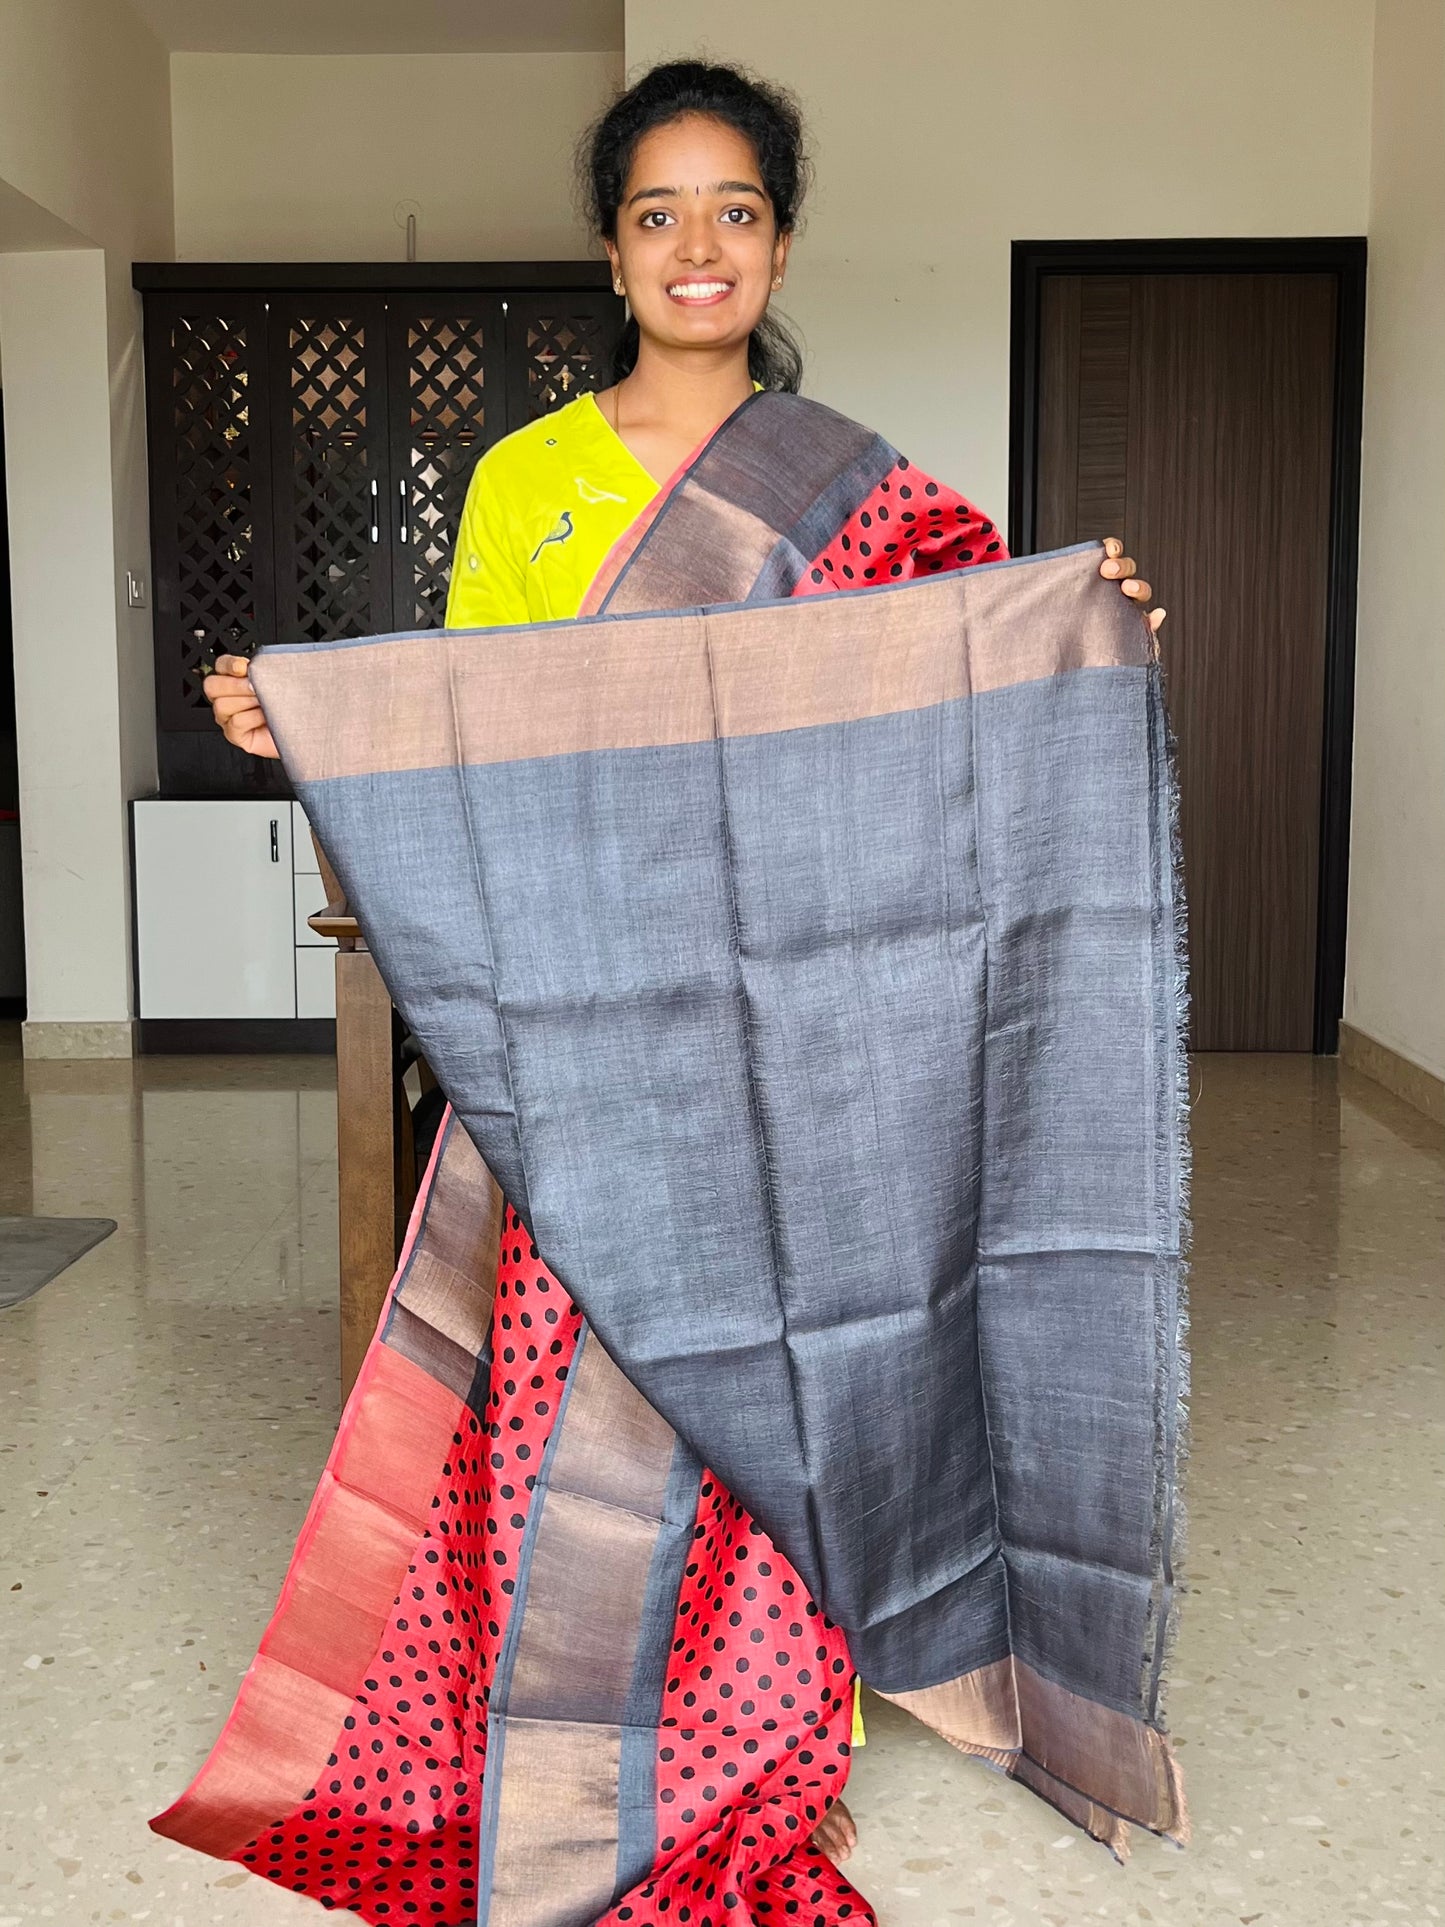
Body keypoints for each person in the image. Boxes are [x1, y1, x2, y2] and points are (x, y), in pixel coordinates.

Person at [201, 58, 1163, 1922]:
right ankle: (567, 1756)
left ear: (780, 242)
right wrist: (309, 726)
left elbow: (972, 678)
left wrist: (1089, 611)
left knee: (772, 1402)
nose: (697, 246)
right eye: (658, 213)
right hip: (581, 1034)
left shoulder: (862, 495)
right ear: (613, 249)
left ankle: (759, 1768)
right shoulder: (526, 481)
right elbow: (466, 741)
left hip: (795, 1056)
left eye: (734, 211)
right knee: (582, 1397)